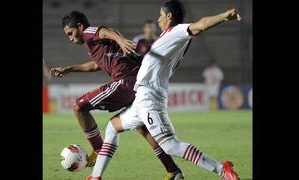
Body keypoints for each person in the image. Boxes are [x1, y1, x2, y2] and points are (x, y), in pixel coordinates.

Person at [86, 0, 242, 180]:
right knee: (112, 127)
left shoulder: (177, 32)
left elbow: (200, 25)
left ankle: (222, 169)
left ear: (169, 16)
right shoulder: (167, 36)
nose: (158, 19)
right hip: (141, 99)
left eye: (161, 15)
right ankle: (96, 176)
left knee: (170, 146)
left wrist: (223, 16)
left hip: (150, 97)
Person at [50, 11, 184, 179]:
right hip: (137, 83)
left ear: (79, 26)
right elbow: (95, 65)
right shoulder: (92, 45)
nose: (70, 38)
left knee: (79, 106)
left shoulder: (88, 32)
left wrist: (119, 39)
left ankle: (99, 151)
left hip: (124, 81)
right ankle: (172, 170)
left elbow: (105, 31)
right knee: (141, 127)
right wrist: (68, 69)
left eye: (70, 33)